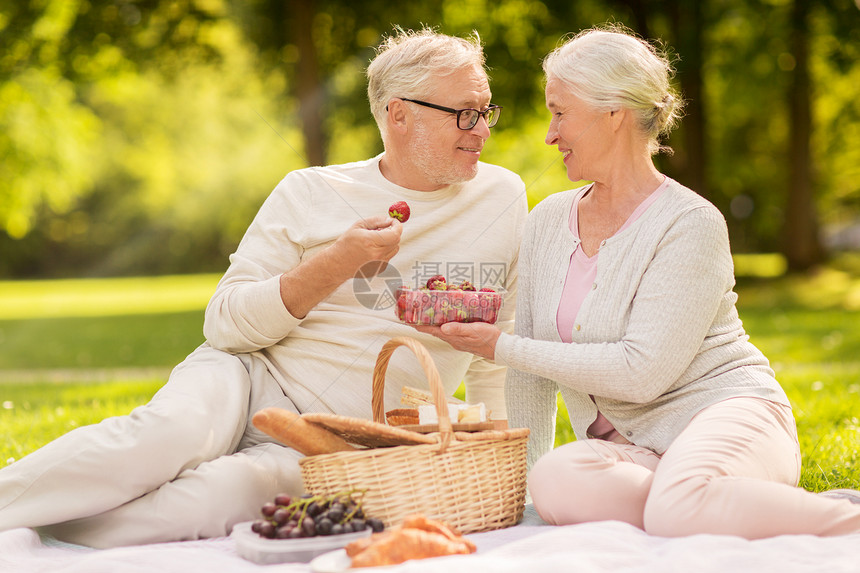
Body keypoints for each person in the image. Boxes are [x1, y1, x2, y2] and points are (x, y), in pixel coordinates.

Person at [0, 27, 528, 548]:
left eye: (485, 111)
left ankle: (43, 525)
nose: (481, 129)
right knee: (163, 438)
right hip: (248, 373)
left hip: (333, 443)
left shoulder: (501, 197)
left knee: (211, 502)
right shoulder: (310, 191)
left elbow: (496, 350)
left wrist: (512, 477)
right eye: (464, 113)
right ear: (399, 114)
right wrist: (336, 262)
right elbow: (224, 324)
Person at [416, 25, 860, 539]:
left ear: (614, 112)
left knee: (676, 508)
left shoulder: (690, 222)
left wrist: (500, 345)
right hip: (637, 452)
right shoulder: (548, 221)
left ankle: (835, 517)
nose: (550, 133)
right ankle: (717, 503)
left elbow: (641, 374)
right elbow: (531, 371)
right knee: (554, 481)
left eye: (560, 112)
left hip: (727, 415)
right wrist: (521, 489)